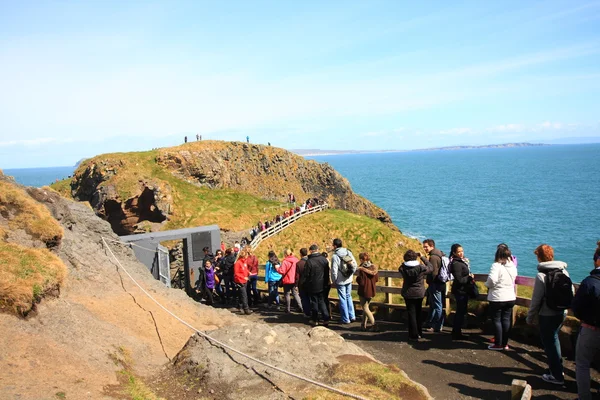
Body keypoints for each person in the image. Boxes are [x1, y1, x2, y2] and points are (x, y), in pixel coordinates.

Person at [526, 244, 572, 385]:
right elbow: (571, 292)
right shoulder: (564, 272)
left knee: (549, 344)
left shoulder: (541, 275)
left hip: (547, 314)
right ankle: (558, 368)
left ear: (539, 257)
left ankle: (557, 376)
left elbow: (536, 300)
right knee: (554, 339)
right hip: (561, 312)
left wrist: (530, 317)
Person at [572, 241, 600, 400]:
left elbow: (577, 307)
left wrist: (585, 318)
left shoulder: (590, 282)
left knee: (582, 364)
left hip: (591, 328)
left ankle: (584, 397)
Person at [485, 244, 517, 350]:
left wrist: (487, 285)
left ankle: (498, 344)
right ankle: (505, 344)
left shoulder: (496, 265)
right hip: (510, 297)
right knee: (506, 320)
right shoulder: (512, 265)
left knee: (497, 320)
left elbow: (492, 280)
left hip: (498, 297)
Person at [399, 250, 433, 341]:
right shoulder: (421, 268)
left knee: (411, 314)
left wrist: (405, 261)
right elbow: (430, 267)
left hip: (408, 293)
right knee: (418, 312)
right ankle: (419, 333)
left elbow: (401, 266)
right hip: (419, 292)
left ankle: (413, 334)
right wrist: (422, 257)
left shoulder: (402, 268)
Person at [302, 244, 331, 326]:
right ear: (318, 250)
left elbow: (306, 275)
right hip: (323, 284)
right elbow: (327, 272)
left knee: (314, 302)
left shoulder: (309, 261)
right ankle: (326, 318)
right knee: (322, 301)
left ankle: (315, 319)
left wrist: (304, 284)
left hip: (313, 285)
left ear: (311, 251)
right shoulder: (324, 260)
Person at [331, 238, 357, 324]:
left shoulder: (335, 256)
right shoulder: (348, 252)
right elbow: (355, 265)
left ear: (335, 246)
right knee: (348, 296)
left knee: (342, 299)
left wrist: (334, 280)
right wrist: (351, 274)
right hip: (349, 279)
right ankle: (352, 316)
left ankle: (345, 319)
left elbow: (334, 270)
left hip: (340, 281)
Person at [449, 243, 472, 340]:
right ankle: (457, 332)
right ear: (454, 253)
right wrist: (469, 278)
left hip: (462, 290)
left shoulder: (459, 261)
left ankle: (456, 331)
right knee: (460, 312)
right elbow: (459, 279)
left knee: (461, 311)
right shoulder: (456, 263)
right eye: (459, 252)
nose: (461, 253)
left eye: (462, 251)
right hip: (460, 291)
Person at [423, 239, 446, 333]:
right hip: (440, 283)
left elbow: (433, 272)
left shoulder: (433, 257)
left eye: (426, 246)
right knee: (433, 304)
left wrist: (430, 281)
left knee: (437, 305)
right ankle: (430, 322)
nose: (424, 248)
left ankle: (437, 325)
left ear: (432, 246)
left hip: (435, 284)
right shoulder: (440, 253)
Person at [276, 249, 303, 314]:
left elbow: (282, 271)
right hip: (294, 280)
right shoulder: (296, 260)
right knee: (296, 294)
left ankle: (287, 309)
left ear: (285, 254)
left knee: (287, 294)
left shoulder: (285, 261)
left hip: (287, 280)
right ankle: (301, 307)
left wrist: (277, 268)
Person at [356, 252, 379, 331]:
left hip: (364, 290)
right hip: (371, 290)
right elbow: (376, 279)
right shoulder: (373, 267)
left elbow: (361, 282)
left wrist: (357, 279)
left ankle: (374, 324)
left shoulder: (362, 268)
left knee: (365, 308)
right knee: (366, 307)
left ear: (362, 260)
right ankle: (363, 325)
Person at [233, 248, 252, 314]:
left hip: (244, 280)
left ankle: (240, 306)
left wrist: (248, 272)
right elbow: (236, 273)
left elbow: (245, 269)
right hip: (240, 281)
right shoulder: (238, 263)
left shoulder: (244, 262)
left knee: (242, 294)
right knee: (244, 295)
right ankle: (246, 309)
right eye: (246, 256)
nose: (247, 257)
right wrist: (243, 277)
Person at [295, 248, 311, 316]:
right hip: (310, 282)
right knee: (310, 297)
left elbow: (297, 276)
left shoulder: (299, 263)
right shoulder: (310, 261)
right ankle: (312, 311)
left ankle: (306, 312)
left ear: (300, 254)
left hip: (302, 284)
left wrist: (296, 285)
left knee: (304, 298)